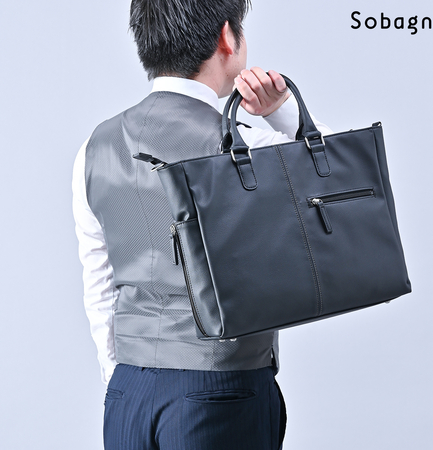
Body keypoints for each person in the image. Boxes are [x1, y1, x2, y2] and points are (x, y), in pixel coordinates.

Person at [72, 1, 331, 449]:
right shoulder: (247, 145)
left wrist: (119, 375)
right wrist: (284, 113)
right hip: (221, 388)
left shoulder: (94, 147)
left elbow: (99, 279)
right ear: (227, 37)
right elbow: (343, 186)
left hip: (128, 394)